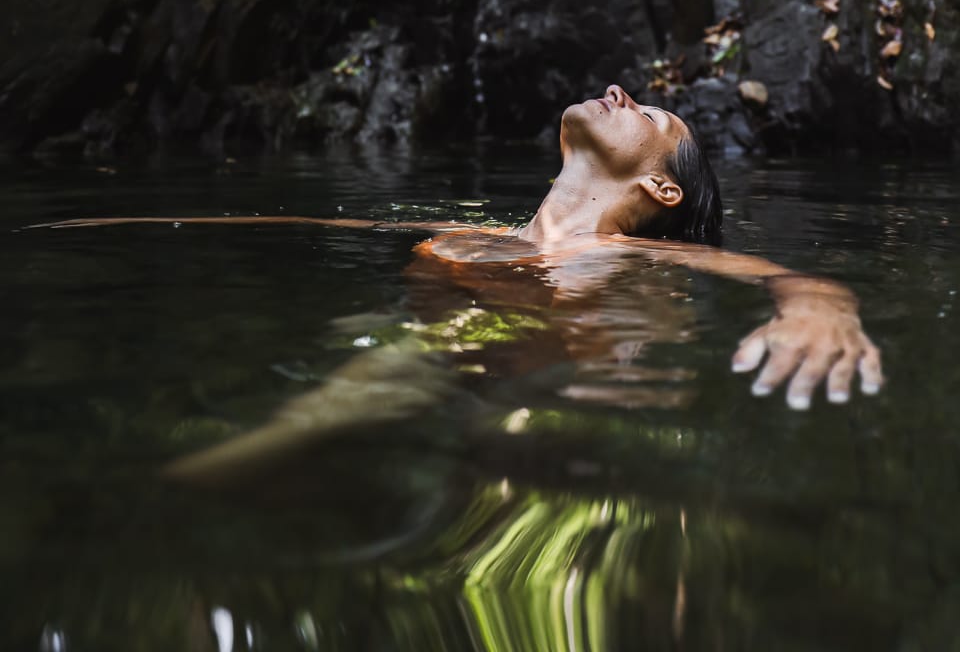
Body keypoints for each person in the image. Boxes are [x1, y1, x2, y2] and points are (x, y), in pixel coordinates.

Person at [41, 84, 882, 482]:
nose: (622, 91)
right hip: (457, 351)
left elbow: (782, 277)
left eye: (652, 118)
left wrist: (821, 310)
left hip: (538, 367)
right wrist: (118, 223)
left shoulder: (645, 257)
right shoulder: (464, 233)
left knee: (385, 373)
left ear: (663, 190)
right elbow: (314, 230)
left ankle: (169, 484)